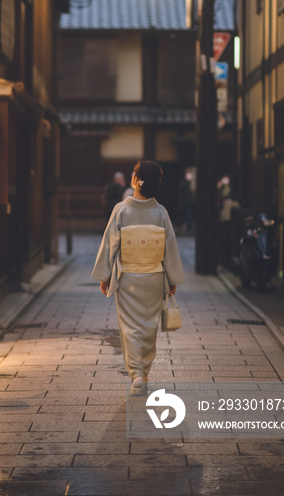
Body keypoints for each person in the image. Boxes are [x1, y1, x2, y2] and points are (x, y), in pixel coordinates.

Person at [92, 160, 185, 395]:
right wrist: (171, 278)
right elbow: (170, 247)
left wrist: (105, 276)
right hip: (154, 276)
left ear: (136, 180)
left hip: (128, 277)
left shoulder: (121, 210)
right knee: (149, 326)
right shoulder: (160, 212)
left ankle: (137, 375)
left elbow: (109, 244)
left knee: (130, 328)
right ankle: (144, 371)